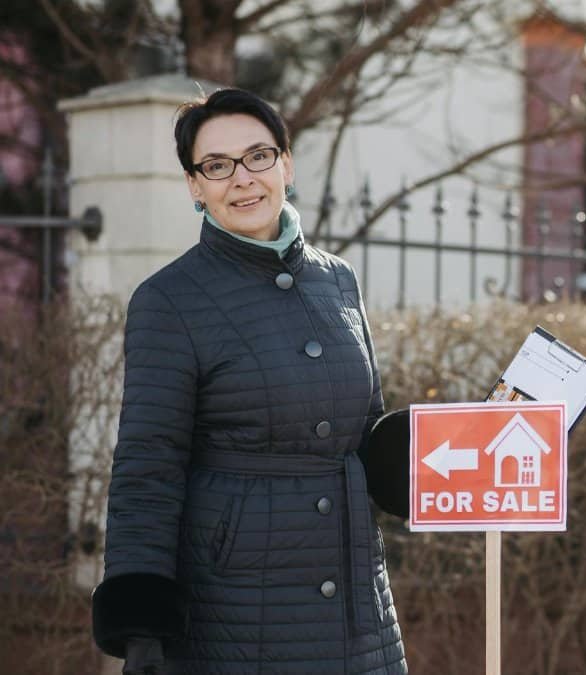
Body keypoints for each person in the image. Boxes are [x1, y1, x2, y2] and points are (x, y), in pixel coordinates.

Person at [90, 88, 408, 674]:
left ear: (286, 163)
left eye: (258, 156)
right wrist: (141, 624)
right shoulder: (169, 300)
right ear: (195, 186)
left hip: (359, 614)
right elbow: (148, 465)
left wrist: (455, 448)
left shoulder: (339, 282)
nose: (242, 179)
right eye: (217, 166)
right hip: (231, 617)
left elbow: (365, 434)